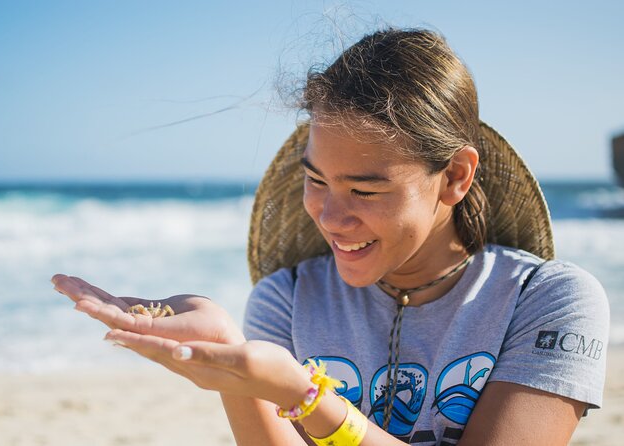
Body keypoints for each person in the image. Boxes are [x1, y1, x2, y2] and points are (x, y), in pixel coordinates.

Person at [52, 28, 609, 445]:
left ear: (456, 177)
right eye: (316, 180)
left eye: (365, 191)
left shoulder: (545, 301)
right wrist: (230, 361)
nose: (330, 217)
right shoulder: (288, 300)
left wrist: (306, 397)